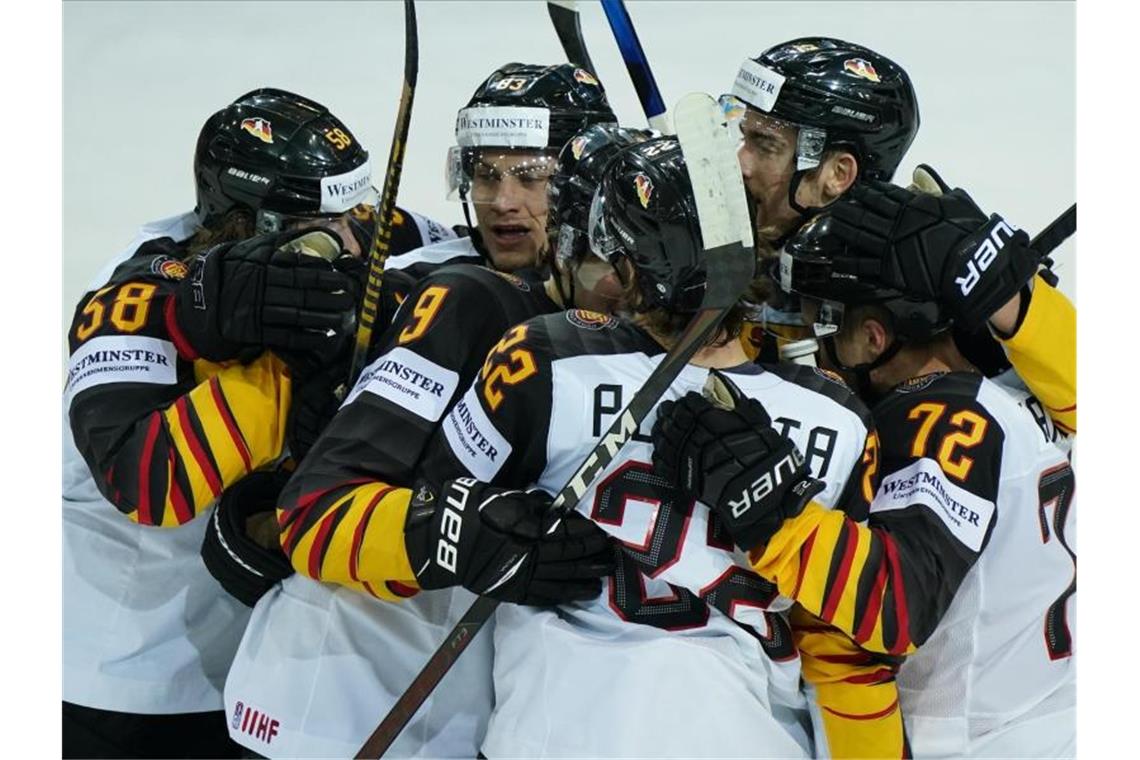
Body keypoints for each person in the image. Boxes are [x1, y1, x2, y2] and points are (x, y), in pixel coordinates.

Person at [397, 136, 885, 757]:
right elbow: (849, 635)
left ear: (628, 271)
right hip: (746, 736)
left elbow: (429, 506)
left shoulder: (545, 357)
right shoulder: (840, 418)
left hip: (556, 732)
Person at [220, 123, 642, 759]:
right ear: (569, 237)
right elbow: (315, 511)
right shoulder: (467, 301)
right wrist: (456, 534)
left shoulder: (632, 334)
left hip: (459, 713)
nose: (636, 288)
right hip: (329, 697)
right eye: (614, 259)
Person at [62, 87, 449, 758]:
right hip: (107, 679)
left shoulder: (344, 233)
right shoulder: (134, 293)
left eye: (358, 211)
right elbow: (147, 481)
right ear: (250, 223)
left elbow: (470, 250)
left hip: (235, 676)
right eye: (327, 225)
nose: (357, 238)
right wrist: (285, 379)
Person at [650, 197, 1076, 757]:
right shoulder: (1022, 386)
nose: (809, 342)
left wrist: (773, 512)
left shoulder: (940, 420)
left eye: (821, 319)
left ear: (875, 337)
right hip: (1055, 715)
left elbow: (892, 602)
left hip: (983, 741)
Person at [811, 166, 1076, 434]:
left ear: (873, 338)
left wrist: (1007, 294)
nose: (817, 355)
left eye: (823, 331)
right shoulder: (1007, 399)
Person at [720, 37, 920, 365]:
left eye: (765, 145)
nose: (740, 164)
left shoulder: (894, 308)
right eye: (745, 137)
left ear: (838, 175)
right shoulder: (716, 253)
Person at [378, 61, 618, 316]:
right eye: (486, 176)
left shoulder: (635, 287)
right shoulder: (412, 280)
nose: (502, 203)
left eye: (531, 178)